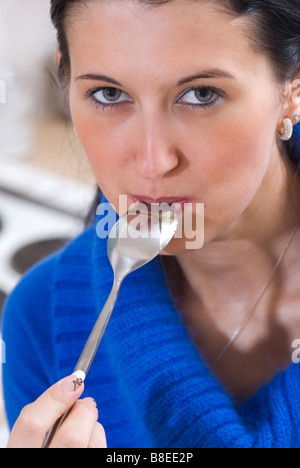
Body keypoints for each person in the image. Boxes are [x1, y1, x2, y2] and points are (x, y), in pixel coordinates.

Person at [2, 0, 300, 448]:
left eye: (201, 94)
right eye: (108, 94)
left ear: (293, 89)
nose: (152, 162)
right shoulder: (39, 321)